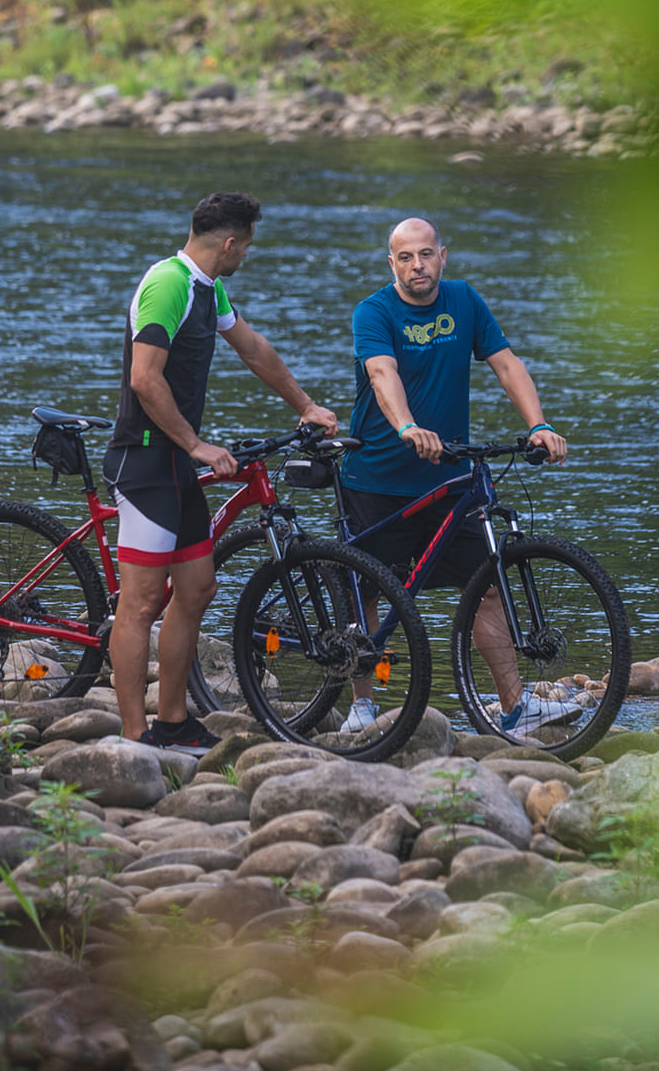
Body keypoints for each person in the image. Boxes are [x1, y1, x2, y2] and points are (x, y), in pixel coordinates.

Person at [103, 190, 337, 753]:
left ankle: (175, 719)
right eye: (247, 245)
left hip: (176, 466)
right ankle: (135, 737)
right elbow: (144, 378)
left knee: (198, 587)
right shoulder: (169, 284)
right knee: (138, 603)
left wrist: (305, 405)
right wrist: (199, 445)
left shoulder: (211, 288)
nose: (246, 255)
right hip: (144, 462)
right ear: (230, 243)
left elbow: (253, 348)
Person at [338, 214, 569, 739]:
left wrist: (538, 425)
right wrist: (407, 426)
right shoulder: (373, 311)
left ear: (444, 255)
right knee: (368, 591)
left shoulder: (463, 300)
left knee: (485, 587)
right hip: (377, 477)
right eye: (405, 257)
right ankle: (363, 705)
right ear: (390, 263)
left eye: (425, 254)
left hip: (450, 478)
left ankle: (514, 708)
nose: (417, 266)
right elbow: (382, 373)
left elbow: (506, 363)